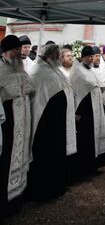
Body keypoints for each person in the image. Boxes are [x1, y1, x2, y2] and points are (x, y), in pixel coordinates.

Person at [28, 44, 77, 201]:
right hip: (46, 125)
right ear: (51, 56)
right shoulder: (39, 71)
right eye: (57, 55)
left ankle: (57, 185)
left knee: (56, 154)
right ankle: (44, 190)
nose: (59, 58)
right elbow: (39, 99)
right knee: (46, 155)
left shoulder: (53, 69)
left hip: (57, 123)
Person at [0, 35, 33, 218]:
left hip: (22, 126)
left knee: (19, 160)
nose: (19, 54)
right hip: (7, 127)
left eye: (20, 51)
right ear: (5, 52)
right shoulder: (0, 70)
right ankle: (4, 206)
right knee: (5, 164)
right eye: (15, 51)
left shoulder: (21, 70)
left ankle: (16, 201)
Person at [69, 46, 105, 179]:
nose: (91, 59)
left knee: (94, 138)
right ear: (83, 57)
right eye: (89, 57)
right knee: (86, 139)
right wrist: (78, 111)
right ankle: (84, 169)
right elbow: (76, 93)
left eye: (92, 56)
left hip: (95, 108)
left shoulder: (91, 69)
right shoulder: (77, 72)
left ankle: (93, 166)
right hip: (84, 112)